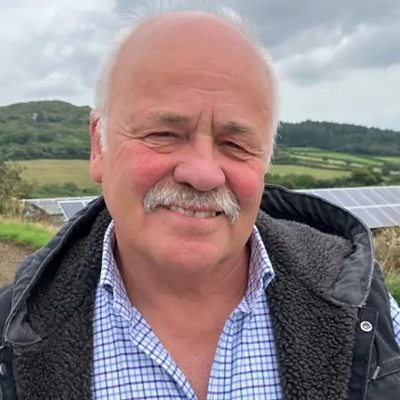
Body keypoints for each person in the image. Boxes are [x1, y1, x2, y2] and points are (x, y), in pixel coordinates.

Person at [1, 3, 400, 400]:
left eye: (235, 144)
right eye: (163, 134)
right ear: (98, 145)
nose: (203, 173)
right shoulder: (11, 344)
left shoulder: (365, 312)